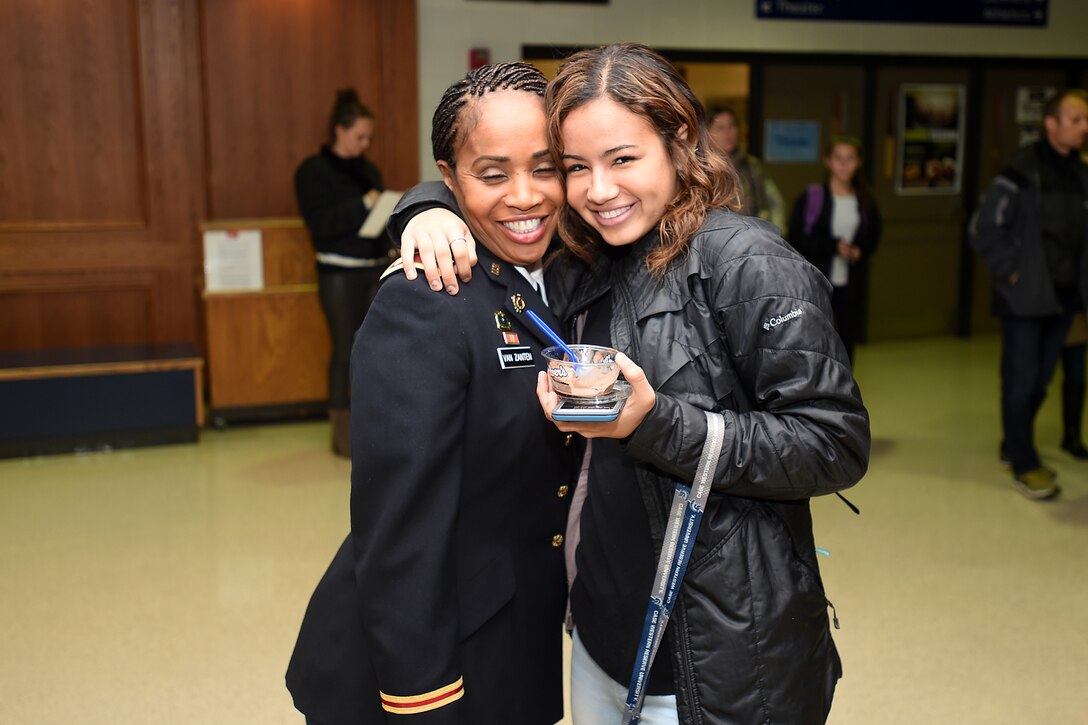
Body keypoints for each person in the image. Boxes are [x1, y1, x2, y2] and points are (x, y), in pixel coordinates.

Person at [393, 43, 870, 725]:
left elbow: (835, 443)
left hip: (724, 656)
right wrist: (425, 207)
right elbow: (495, 194)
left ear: (678, 140)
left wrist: (655, 424)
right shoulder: (588, 258)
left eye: (623, 159)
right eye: (576, 167)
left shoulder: (750, 264)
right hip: (599, 640)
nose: (598, 190)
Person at [285, 64, 576, 725]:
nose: (526, 196)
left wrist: (419, 203)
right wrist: (421, 703)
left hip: (510, 638)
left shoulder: (557, 272)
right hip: (421, 667)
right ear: (451, 177)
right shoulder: (426, 300)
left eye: (547, 166)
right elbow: (400, 535)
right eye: (493, 173)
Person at [970, 88, 1088, 500]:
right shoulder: (1022, 170)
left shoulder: (1080, 174)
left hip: (1065, 298)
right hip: (1025, 298)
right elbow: (983, 227)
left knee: (1039, 381)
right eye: (1076, 120)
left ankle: (1012, 442)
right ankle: (1025, 463)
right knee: (1020, 382)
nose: (1084, 127)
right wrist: (1012, 272)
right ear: (1051, 124)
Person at [295, 88, 389, 457]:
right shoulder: (312, 172)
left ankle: (377, 427)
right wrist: (362, 205)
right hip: (337, 272)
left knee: (377, 350)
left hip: (374, 268)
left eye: (369, 138)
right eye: (359, 136)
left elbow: (379, 221)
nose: (365, 144)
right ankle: (342, 436)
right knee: (345, 350)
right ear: (339, 130)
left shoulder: (369, 171)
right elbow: (320, 224)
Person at [788, 136, 882, 366]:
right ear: (828, 161)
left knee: (847, 338)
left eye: (850, 159)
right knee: (815, 338)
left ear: (858, 162)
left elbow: (873, 236)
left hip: (850, 283)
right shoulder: (812, 198)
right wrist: (833, 246)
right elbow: (797, 238)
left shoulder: (865, 201)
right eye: (838, 158)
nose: (844, 165)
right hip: (817, 281)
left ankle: (844, 391)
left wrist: (860, 251)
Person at [706, 104, 786, 230]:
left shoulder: (752, 166)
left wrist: (774, 234)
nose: (728, 133)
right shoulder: (701, 169)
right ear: (707, 133)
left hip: (755, 235)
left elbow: (774, 203)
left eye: (731, 126)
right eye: (720, 128)